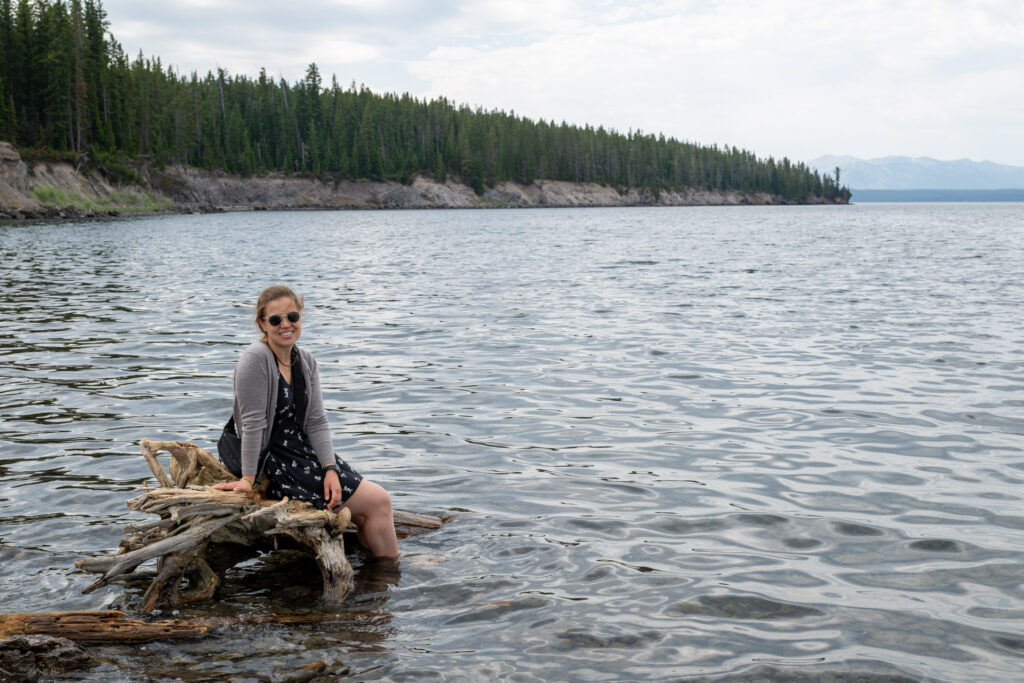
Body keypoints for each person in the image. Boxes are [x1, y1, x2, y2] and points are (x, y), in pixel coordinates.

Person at [213, 285, 398, 558]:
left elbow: (316, 421)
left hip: (303, 453)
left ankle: (379, 574)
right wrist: (247, 480)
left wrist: (330, 468)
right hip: (276, 462)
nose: (285, 325)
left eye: (293, 316)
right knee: (378, 500)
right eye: (276, 320)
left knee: (365, 512)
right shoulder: (255, 359)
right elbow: (253, 424)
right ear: (262, 324)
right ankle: (392, 572)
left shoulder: (305, 360)